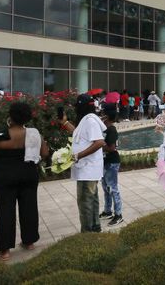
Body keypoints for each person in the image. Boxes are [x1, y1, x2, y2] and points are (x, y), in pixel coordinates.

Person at [0, 102, 48, 261]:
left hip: (5, 176)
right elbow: (45, 153)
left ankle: (5, 251)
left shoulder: (1, 136)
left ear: (11, 116)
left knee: (5, 211)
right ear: (27, 117)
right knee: (29, 207)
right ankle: (29, 242)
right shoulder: (35, 134)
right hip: (28, 174)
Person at [62, 94, 106, 232]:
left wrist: (78, 156)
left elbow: (99, 142)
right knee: (91, 199)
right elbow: (79, 134)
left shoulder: (90, 121)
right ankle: (95, 227)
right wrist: (64, 122)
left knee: (85, 202)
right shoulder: (86, 120)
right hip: (87, 169)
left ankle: (87, 232)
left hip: (88, 169)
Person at [99, 106, 123, 226]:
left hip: (112, 162)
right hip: (105, 162)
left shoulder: (111, 130)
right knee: (106, 188)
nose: (101, 116)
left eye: (103, 114)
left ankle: (118, 214)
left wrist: (98, 146)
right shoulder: (105, 128)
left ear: (106, 116)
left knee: (113, 188)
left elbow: (112, 148)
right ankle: (108, 211)